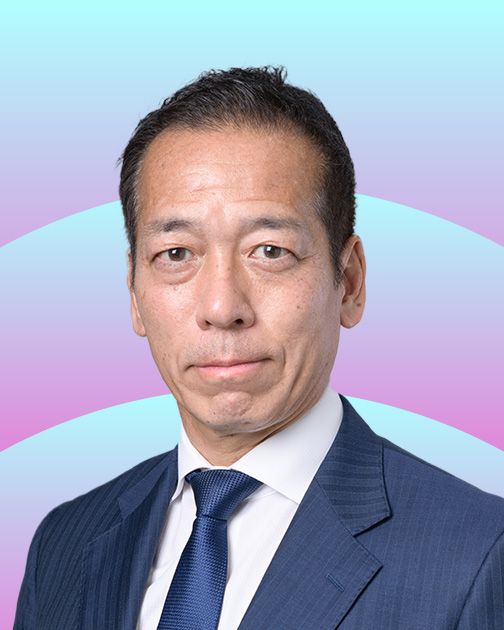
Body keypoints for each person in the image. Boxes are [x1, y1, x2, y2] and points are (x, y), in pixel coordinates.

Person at [14, 66, 504, 630]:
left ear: (349, 282)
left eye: (269, 251)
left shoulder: (477, 555)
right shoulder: (65, 544)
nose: (222, 308)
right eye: (176, 254)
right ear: (133, 292)